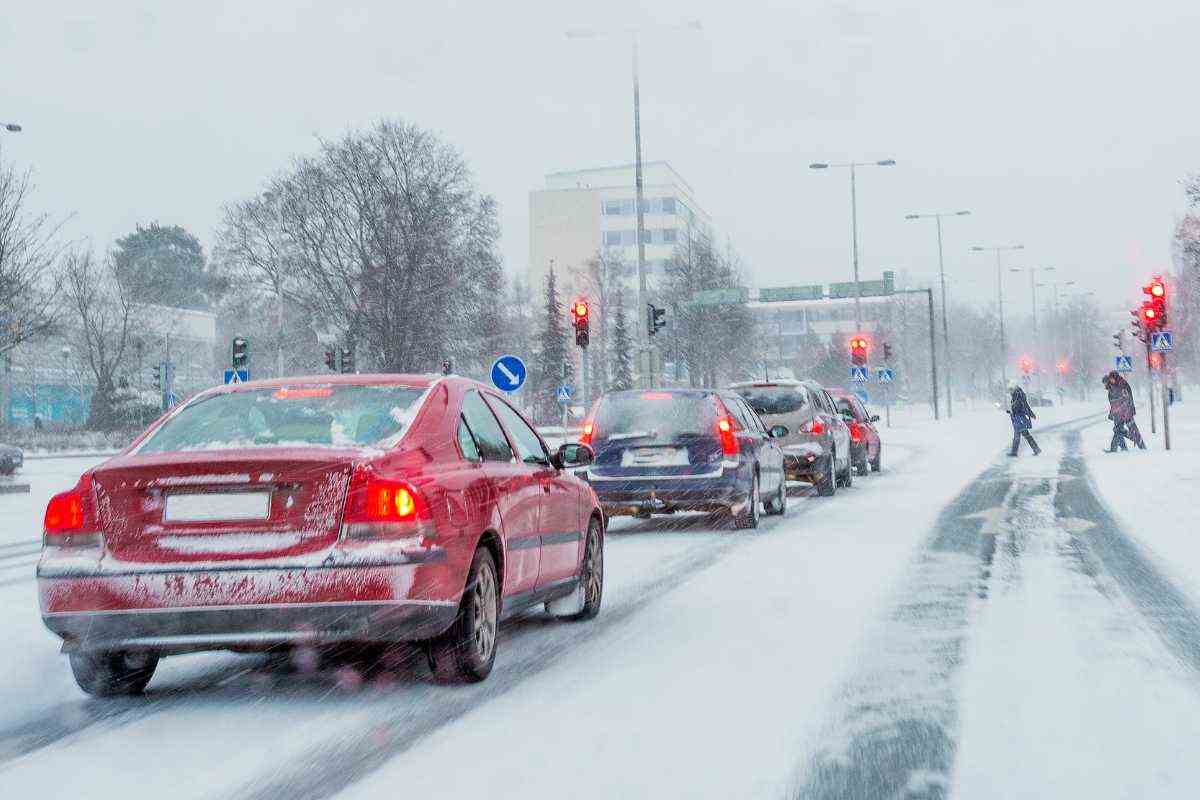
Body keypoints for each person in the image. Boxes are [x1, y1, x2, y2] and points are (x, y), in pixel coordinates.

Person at [1103, 371, 1145, 452]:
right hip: (1119, 413)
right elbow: (1114, 402)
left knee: (1129, 429)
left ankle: (1139, 444)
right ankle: (1118, 448)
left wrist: (1123, 409)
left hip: (1126, 411)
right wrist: (1114, 412)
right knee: (1118, 430)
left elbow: (1126, 398)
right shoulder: (1114, 386)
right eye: (1110, 379)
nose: (1111, 380)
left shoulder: (1122, 385)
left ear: (1115, 378)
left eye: (1112, 379)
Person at [1006, 379, 1040, 457]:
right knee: (1024, 435)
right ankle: (1035, 449)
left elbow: (1023, 406)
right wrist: (1011, 411)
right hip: (1018, 418)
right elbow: (1021, 406)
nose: (1010, 391)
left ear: (1014, 388)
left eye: (1011, 389)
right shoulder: (1017, 394)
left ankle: (1015, 452)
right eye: (1009, 389)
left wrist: (1030, 413)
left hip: (1019, 418)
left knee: (1019, 435)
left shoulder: (1018, 395)